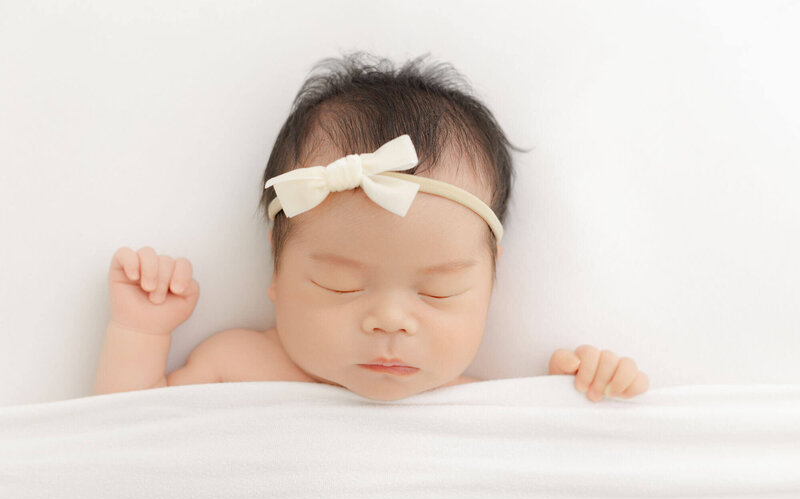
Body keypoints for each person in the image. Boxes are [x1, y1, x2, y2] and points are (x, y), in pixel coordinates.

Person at [92, 51, 649, 402]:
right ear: (278, 270)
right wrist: (140, 335)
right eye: (340, 285)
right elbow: (124, 446)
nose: (389, 320)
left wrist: (583, 398)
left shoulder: (482, 404)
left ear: (490, 280)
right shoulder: (237, 363)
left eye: (439, 290)